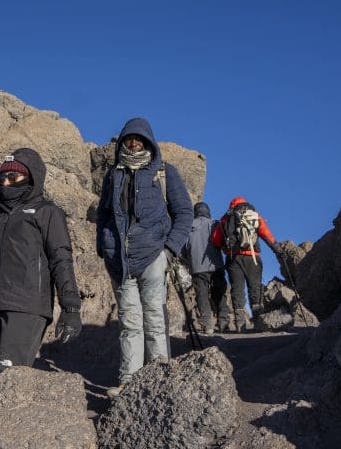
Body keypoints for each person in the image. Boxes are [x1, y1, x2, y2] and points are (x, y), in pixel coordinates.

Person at [0, 148, 82, 387]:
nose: (6, 183)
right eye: (2, 177)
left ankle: (22, 421)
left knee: (11, 374)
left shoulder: (46, 212)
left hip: (26, 305)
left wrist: (70, 308)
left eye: (13, 178)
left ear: (31, 177)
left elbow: (61, 259)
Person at [96, 117, 194, 397]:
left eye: (139, 139)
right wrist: (103, 246)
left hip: (153, 257)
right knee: (129, 323)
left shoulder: (164, 173)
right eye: (129, 139)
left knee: (154, 319)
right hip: (120, 261)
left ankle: (160, 382)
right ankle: (129, 383)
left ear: (149, 142)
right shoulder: (113, 175)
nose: (134, 143)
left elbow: (184, 212)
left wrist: (169, 250)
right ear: (123, 142)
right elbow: (103, 214)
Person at [211, 196, 279, 331]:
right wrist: (277, 249)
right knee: (255, 288)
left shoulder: (226, 217)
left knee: (237, 290)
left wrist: (225, 248)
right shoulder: (253, 215)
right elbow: (265, 233)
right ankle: (259, 322)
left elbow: (216, 240)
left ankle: (240, 325)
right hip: (252, 257)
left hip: (234, 259)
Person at [183, 202, 229, 334]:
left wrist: (189, 259)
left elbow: (183, 249)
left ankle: (207, 324)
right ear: (207, 211)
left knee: (202, 295)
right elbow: (222, 243)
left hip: (197, 267)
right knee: (219, 293)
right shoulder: (215, 223)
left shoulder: (189, 227)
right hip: (216, 265)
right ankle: (223, 322)